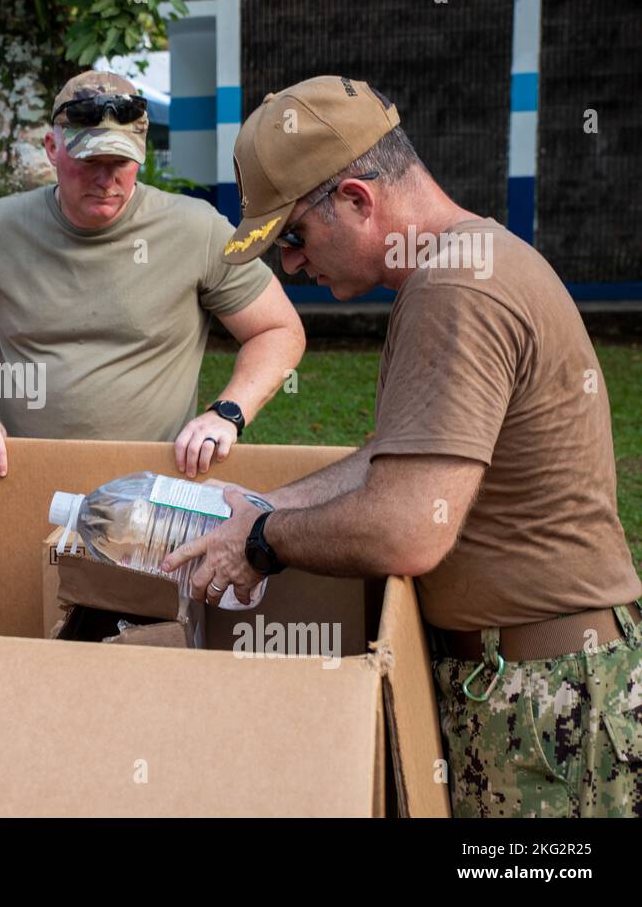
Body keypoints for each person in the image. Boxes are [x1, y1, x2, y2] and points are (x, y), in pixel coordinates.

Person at [162, 76, 642, 817]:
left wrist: (262, 541)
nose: (290, 266)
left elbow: (407, 526)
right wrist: (267, 504)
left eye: (292, 237)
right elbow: (399, 452)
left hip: (544, 708)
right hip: (536, 687)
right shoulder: (469, 262)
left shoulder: (457, 289)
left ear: (357, 199)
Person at [0, 70, 305, 484]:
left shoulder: (195, 230)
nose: (106, 181)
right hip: (22, 476)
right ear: (52, 148)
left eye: (120, 162)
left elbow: (279, 330)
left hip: (154, 484)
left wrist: (228, 412)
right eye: (89, 162)